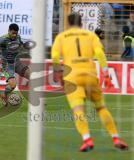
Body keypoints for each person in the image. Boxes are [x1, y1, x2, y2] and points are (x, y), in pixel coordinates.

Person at [51, 13, 128, 152]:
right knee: (101, 108)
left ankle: (87, 139)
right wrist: (105, 73)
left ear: (68, 24)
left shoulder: (61, 37)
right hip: (90, 76)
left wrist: (59, 74)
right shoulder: (90, 35)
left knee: (78, 110)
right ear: (81, 23)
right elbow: (99, 53)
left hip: (72, 78)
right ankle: (116, 138)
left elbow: (55, 56)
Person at [0, 23, 30, 106]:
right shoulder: (3, 39)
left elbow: (20, 43)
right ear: (8, 31)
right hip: (7, 65)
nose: (14, 35)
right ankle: (4, 94)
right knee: (13, 85)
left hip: (17, 62)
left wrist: (25, 45)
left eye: (16, 33)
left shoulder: (18, 37)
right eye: (13, 33)